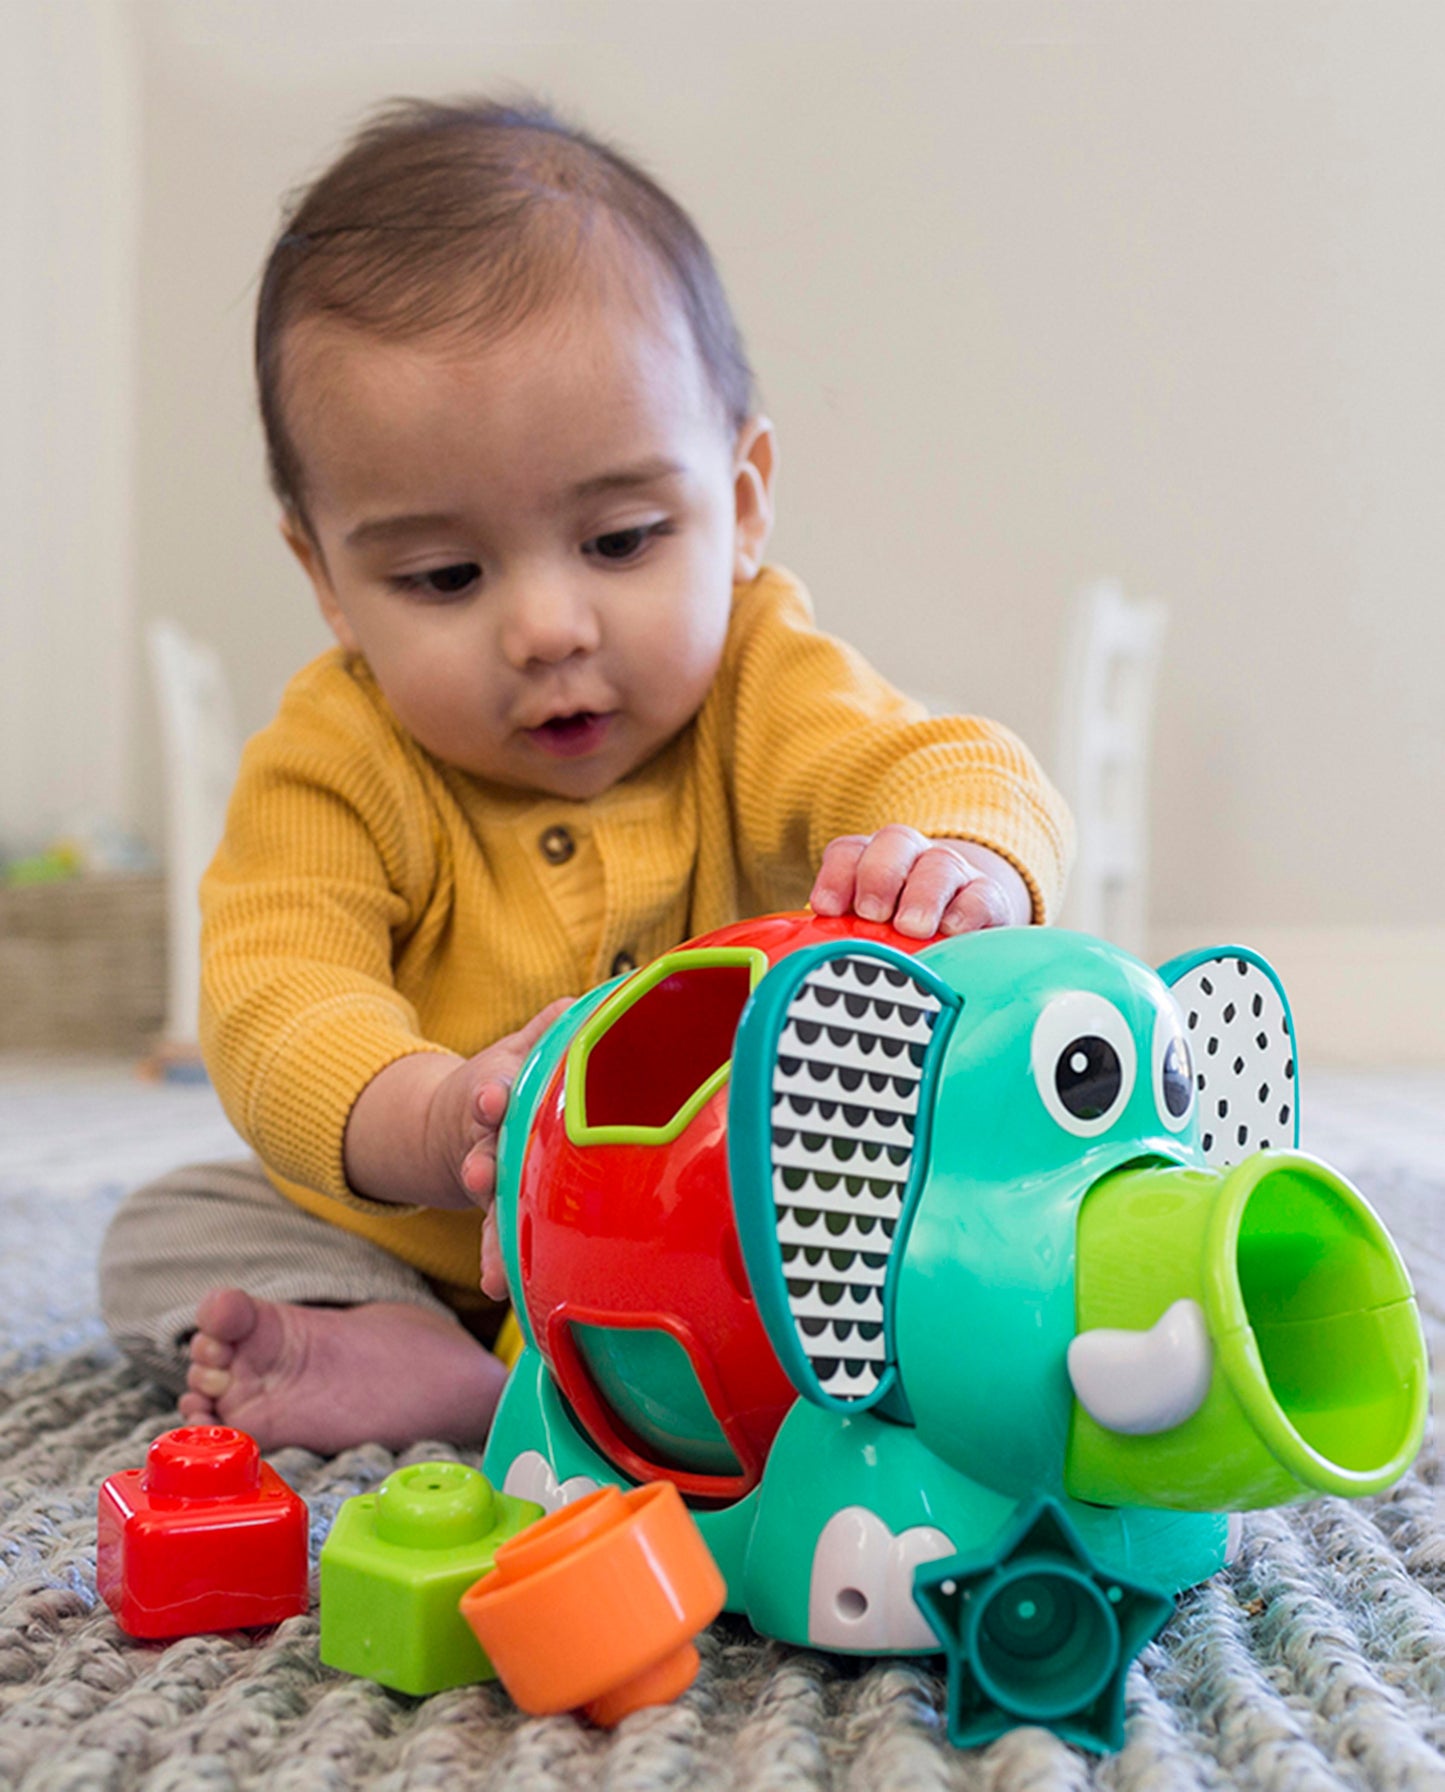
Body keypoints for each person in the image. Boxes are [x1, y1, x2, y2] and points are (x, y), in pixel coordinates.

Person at [99, 97, 1073, 1456]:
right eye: (445, 576)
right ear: (325, 580)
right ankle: (437, 1361)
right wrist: (433, 1113)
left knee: (956, 1205)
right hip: (447, 1239)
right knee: (168, 1227)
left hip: (736, 1222)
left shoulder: (761, 679)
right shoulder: (335, 759)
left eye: (618, 540)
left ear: (736, 506)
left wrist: (956, 855)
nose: (547, 626)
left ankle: (639, 1372)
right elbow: (275, 998)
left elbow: (942, 760)